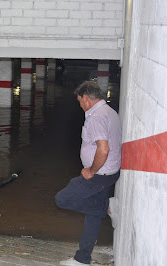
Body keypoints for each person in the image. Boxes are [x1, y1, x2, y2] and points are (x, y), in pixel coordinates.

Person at [55, 81, 122, 265]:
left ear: (86, 98)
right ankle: (82, 259)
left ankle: (106, 205)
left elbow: (104, 149)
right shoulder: (110, 112)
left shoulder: (97, 116)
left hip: (99, 175)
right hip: (110, 174)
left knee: (63, 199)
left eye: (80, 101)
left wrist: (91, 170)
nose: (80, 105)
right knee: (92, 216)